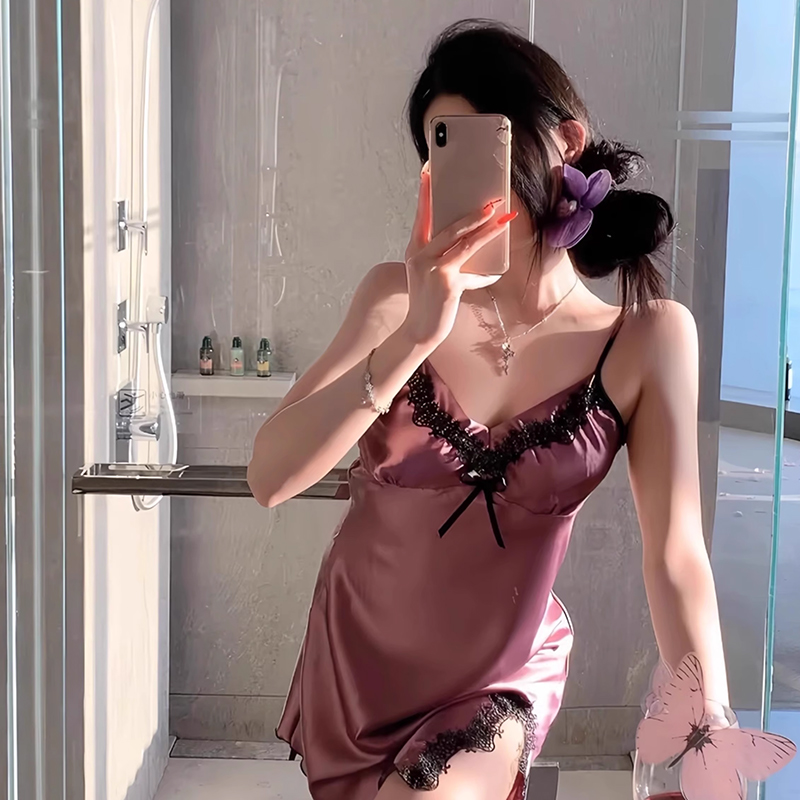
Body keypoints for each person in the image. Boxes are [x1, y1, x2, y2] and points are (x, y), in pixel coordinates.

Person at [247, 19, 729, 800]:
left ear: (565, 142)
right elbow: (269, 478)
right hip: (357, 669)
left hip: (499, 682)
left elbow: (675, 557)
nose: (463, 180)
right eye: (441, 152)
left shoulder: (646, 338)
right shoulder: (395, 300)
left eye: (482, 148)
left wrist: (712, 729)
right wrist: (414, 336)